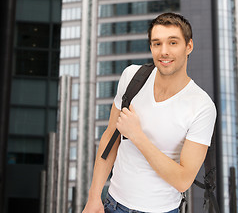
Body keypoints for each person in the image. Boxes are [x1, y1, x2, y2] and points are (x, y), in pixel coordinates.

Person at [82, 12, 217, 213]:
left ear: (189, 46)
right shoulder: (132, 77)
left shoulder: (202, 106)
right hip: (112, 203)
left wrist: (137, 136)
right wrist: (94, 197)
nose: (164, 51)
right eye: (157, 43)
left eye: (173, 43)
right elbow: (110, 138)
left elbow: (183, 181)